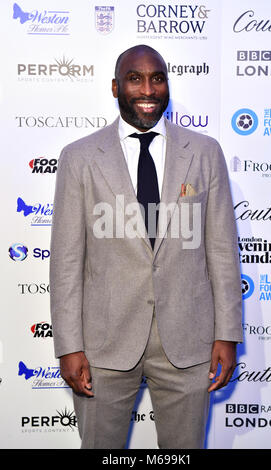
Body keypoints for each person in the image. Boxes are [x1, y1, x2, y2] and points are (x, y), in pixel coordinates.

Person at [50, 44, 243, 449]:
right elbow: (66, 262)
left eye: (158, 78)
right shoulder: (80, 157)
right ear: (116, 87)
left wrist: (227, 333)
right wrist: (69, 346)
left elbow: (223, 250)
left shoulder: (205, 153)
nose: (148, 89)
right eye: (135, 78)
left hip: (188, 341)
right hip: (104, 343)